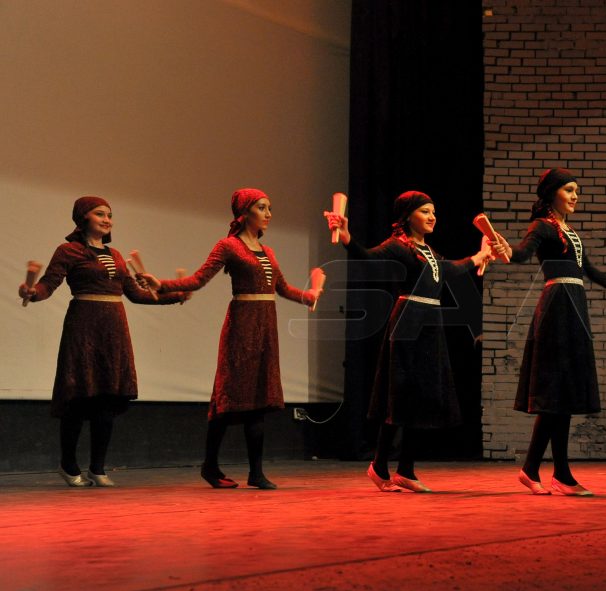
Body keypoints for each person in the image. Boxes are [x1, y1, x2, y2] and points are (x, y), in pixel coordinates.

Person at [140, 188, 320, 490]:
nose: (268, 214)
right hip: (242, 326)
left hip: (266, 328)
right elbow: (198, 279)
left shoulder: (268, 251)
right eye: (261, 207)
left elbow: (282, 288)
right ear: (244, 213)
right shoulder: (228, 246)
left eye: (269, 208)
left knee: (259, 398)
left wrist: (309, 296)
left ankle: (256, 472)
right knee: (230, 396)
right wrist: (162, 284)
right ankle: (210, 465)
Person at [329, 191, 494, 492]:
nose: (432, 217)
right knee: (401, 393)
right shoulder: (397, 246)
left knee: (423, 396)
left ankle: (405, 470)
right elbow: (367, 258)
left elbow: (449, 270)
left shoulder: (427, 250)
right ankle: (380, 466)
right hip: (409, 321)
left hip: (431, 324)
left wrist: (479, 257)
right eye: (425, 211)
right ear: (407, 216)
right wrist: (346, 236)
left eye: (434, 212)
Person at [19, 196, 187, 487]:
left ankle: (97, 467)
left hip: (114, 330)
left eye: (110, 215)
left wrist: (175, 295)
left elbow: (136, 294)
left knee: (108, 397)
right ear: (84, 217)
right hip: (84, 326)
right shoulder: (69, 250)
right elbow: (48, 284)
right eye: (100, 214)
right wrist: (32, 293)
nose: (107, 220)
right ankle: (68, 465)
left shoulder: (117, 255)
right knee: (78, 395)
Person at [494, 168, 606, 497]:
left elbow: (586, 269)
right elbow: (522, 253)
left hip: (573, 306)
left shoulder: (570, 232)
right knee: (555, 392)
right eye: (569, 189)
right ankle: (550, 472)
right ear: (552, 193)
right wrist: (506, 249)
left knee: (563, 393)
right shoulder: (542, 226)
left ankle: (546, 472)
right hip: (556, 307)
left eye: (576, 190)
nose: (575, 195)